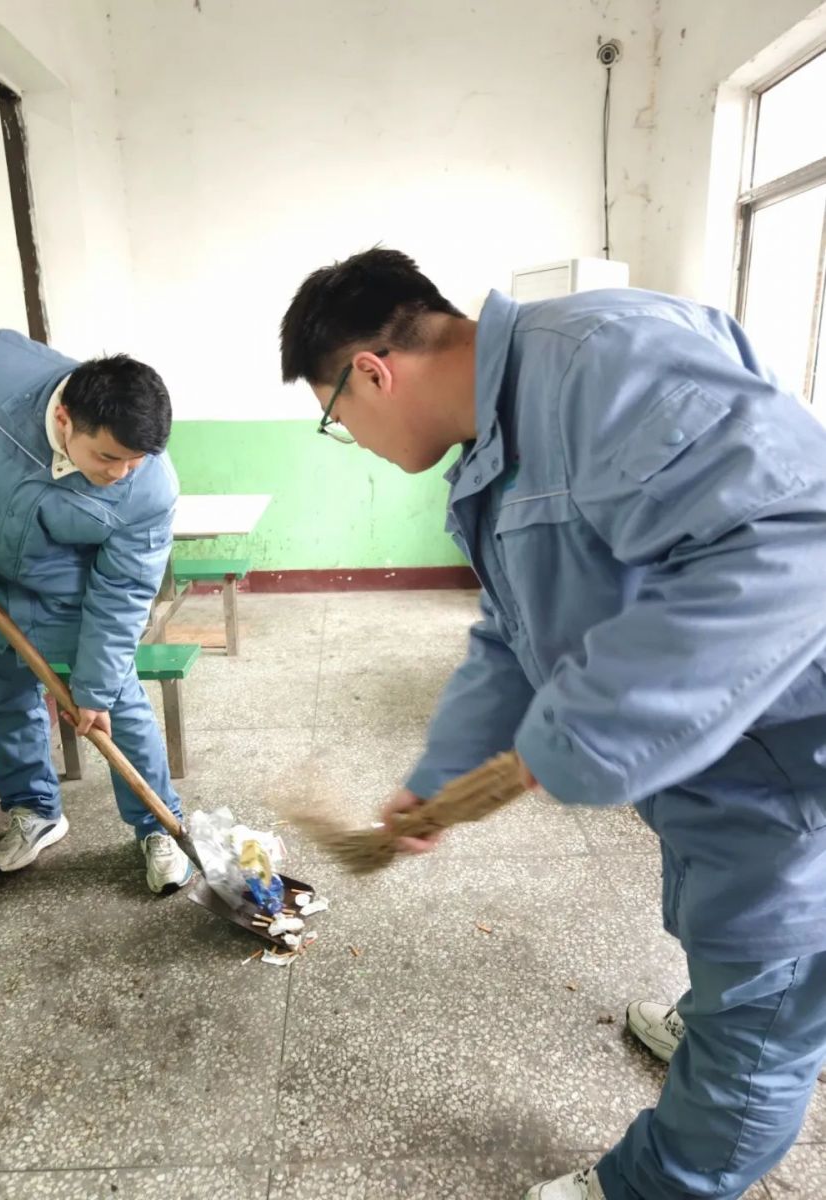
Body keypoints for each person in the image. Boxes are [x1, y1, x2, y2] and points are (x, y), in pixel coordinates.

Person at [280, 248, 826, 1200]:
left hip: (794, 765)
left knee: (762, 1010)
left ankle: (657, 1182)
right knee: (736, 953)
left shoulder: (603, 363)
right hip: (725, 758)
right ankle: (726, 1015)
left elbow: (793, 546)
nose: (350, 440)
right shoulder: (507, 431)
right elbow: (514, 634)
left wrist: (583, 729)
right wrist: (444, 776)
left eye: (334, 419)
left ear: (371, 372)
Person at [0, 330, 192, 895]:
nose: (121, 474)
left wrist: (93, 689)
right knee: (6, 699)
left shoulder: (150, 489)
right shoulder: (1, 369)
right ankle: (34, 810)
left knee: (118, 706)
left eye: (136, 460)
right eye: (108, 457)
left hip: (68, 602)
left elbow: (124, 591)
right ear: (65, 418)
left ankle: (159, 824)